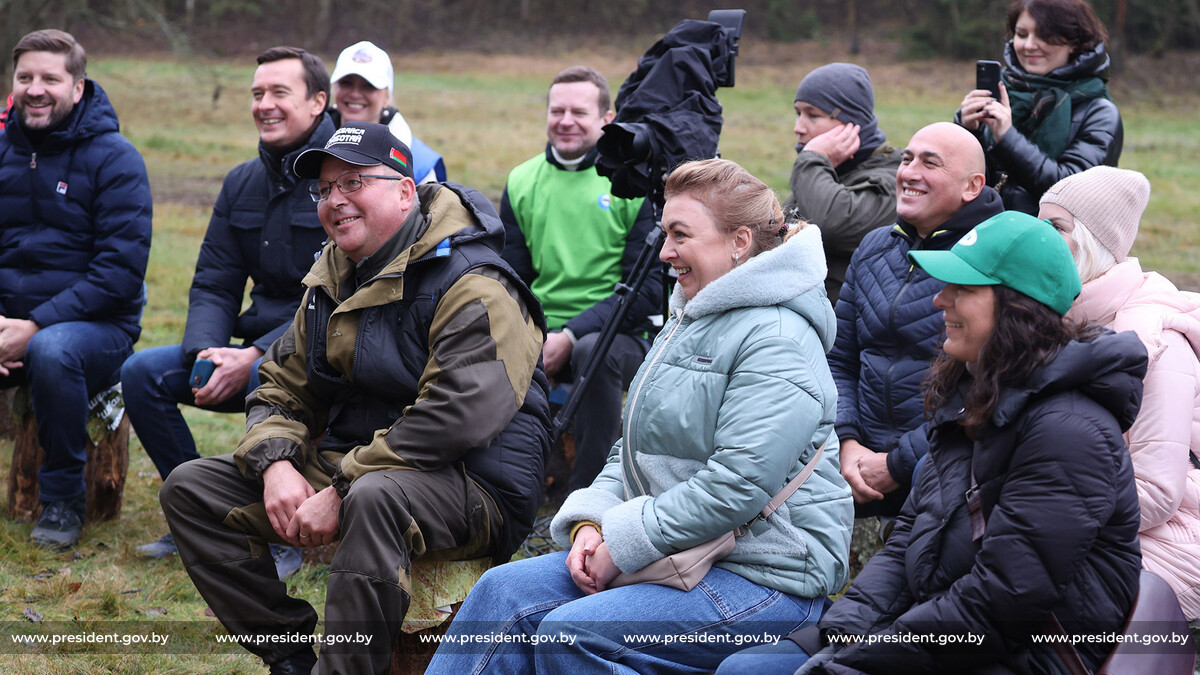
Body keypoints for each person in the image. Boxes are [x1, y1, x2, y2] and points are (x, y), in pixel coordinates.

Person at [426, 158, 853, 674]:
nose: (666, 252)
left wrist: (624, 544)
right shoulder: (690, 316)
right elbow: (631, 447)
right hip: (677, 554)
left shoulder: (779, 338)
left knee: (573, 634)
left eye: (680, 235)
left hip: (768, 578)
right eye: (664, 234)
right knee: (502, 594)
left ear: (739, 242)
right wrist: (592, 523)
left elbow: (737, 485)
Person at [160, 121, 551, 674]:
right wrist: (275, 464)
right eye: (324, 189)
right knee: (193, 489)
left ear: (405, 190)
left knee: (375, 498)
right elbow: (281, 383)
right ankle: (290, 658)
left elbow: (458, 414)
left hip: (477, 485)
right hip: (365, 468)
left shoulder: (475, 282)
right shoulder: (333, 276)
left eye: (354, 183)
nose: (335, 200)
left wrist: (342, 485)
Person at [733, 211, 1146, 675]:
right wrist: (842, 635)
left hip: (1019, 655)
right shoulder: (974, 399)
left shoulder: (1068, 432)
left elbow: (1002, 604)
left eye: (963, 289)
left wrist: (857, 660)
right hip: (938, 628)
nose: (939, 300)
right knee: (748, 667)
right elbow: (909, 537)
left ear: (1018, 309)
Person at [121, 46, 334, 575]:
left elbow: (342, 297)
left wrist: (258, 356)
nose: (264, 104)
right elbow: (214, 281)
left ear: (317, 102)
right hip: (251, 350)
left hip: (328, 356)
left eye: (280, 92)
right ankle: (202, 513)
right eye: (257, 93)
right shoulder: (242, 182)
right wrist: (207, 354)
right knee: (143, 374)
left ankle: (285, 532)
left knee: (291, 386)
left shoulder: (343, 177)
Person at [0, 29, 152, 550]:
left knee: (52, 349)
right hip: (7, 324)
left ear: (78, 88)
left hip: (96, 330)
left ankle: (62, 498)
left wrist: (33, 326)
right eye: (25, 77)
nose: (36, 89)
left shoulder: (116, 159)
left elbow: (120, 273)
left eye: (50, 78)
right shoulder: (2, 153)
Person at [1040, 165, 1200, 620]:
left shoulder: (1154, 340)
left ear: (1092, 241)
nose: (1041, 239)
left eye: (1056, 227)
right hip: (1095, 516)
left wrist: (1047, 511)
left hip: (1172, 534)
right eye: (1038, 225)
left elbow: (1156, 490)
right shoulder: (1060, 319)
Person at [828, 122, 1003, 519]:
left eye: (930, 163)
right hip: (853, 461)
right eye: (906, 158)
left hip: (948, 466)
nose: (908, 172)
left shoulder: (993, 260)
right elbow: (841, 359)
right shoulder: (875, 247)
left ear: (972, 186)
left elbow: (989, 387)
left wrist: (898, 463)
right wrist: (847, 441)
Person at [500, 65, 661, 492]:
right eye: (557, 110)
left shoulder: (633, 185)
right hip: (540, 328)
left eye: (579, 112)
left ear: (606, 120)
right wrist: (536, 336)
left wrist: (569, 336)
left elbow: (645, 293)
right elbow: (509, 279)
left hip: (619, 335)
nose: (566, 121)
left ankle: (590, 498)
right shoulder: (522, 180)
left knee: (594, 351)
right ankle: (502, 488)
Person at [957, 0, 1121, 215]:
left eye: (1044, 36)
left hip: (1050, 241)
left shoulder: (1099, 113)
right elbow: (962, 181)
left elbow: (1070, 191)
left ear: (1074, 42)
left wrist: (1007, 138)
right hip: (982, 233)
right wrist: (968, 130)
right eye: (1022, 34)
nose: (1029, 45)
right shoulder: (1001, 93)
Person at [783, 63, 902, 304]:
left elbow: (834, 224)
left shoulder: (891, 180)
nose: (798, 128)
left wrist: (812, 159)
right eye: (798, 113)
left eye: (813, 115)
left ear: (851, 123)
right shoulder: (828, 171)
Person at [327, 40, 446, 184]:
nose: (355, 94)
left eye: (369, 86)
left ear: (387, 96)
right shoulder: (309, 141)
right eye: (346, 83)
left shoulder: (418, 162)